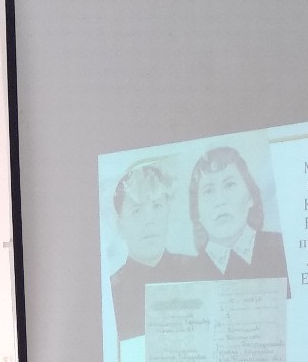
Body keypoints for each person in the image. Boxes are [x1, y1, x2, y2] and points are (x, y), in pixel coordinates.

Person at [109, 160, 194, 340]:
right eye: (137, 211)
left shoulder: (195, 271)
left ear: (168, 212)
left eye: (157, 206)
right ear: (120, 225)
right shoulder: (111, 294)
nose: (150, 220)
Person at [187, 145, 289, 283]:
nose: (220, 201)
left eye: (229, 185)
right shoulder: (188, 273)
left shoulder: (283, 248)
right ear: (197, 210)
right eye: (208, 191)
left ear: (250, 196)